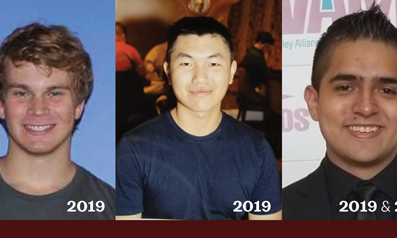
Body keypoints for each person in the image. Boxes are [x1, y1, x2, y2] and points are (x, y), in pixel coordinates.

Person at [283, 5, 397, 220]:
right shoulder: (276, 211)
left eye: (386, 90)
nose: (366, 107)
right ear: (314, 102)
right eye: (345, 87)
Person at [116, 16, 281, 220]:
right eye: (186, 63)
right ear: (168, 71)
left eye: (213, 63)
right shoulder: (134, 148)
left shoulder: (257, 149)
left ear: (231, 72)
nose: (200, 77)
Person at [0, 23, 116, 220]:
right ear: (1, 105)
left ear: (78, 106)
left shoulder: (112, 210)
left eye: (54, 93)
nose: (38, 109)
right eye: (22, 92)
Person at [238, 31, 273, 106]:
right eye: (266, 46)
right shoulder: (256, 57)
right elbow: (265, 76)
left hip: (248, 90)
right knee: (275, 93)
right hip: (254, 91)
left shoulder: (250, 53)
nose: (267, 49)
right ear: (260, 43)